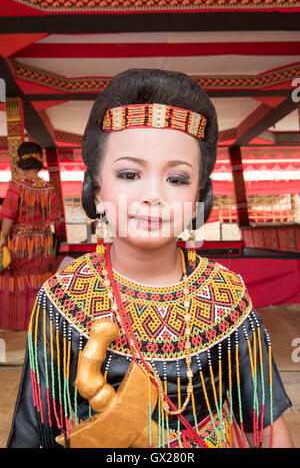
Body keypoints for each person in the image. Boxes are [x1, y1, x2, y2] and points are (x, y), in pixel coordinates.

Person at [6, 69, 293, 449]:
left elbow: (268, 431)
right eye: (129, 174)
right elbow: (31, 433)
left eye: (177, 179)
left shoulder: (226, 296)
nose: (153, 195)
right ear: (95, 187)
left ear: (199, 198)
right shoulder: (62, 300)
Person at [0, 142, 59, 331]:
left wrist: (2, 236)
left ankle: (15, 328)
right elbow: (53, 218)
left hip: (20, 243)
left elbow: (8, 214)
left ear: (19, 161)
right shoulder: (49, 188)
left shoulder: (17, 185)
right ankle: (38, 327)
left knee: (15, 283)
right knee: (38, 282)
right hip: (43, 243)